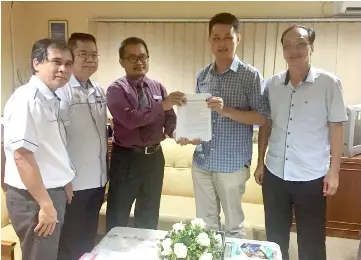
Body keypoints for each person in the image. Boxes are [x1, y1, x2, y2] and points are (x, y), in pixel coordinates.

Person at [255, 25, 347, 260]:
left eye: (300, 43)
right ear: (282, 50)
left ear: (311, 47)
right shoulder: (272, 85)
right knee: (274, 238)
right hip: (275, 173)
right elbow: (266, 124)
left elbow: (337, 127)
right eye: (287, 45)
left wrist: (334, 172)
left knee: (312, 240)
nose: (293, 50)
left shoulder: (329, 83)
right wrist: (260, 162)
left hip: (312, 176)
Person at [179, 13, 266, 239]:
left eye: (227, 37)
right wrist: (191, 134)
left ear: (238, 39)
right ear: (210, 41)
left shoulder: (250, 76)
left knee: (234, 226)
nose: (221, 43)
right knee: (205, 226)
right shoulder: (202, 75)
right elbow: (200, 115)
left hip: (232, 163)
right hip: (202, 160)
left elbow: (262, 118)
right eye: (216, 38)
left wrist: (225, 110)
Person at [3, 38, 75, 260]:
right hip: (34, 198)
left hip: (50, 191)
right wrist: (46, 205)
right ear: (36, 63)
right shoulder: (29, 100)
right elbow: (22, 156)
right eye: (56, 62)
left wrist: (65, 181)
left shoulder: (49, 97)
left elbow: (50, 148)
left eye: (68, 63)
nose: (63, 69)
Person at [106, 37, 186, 231]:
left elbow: (169, 119)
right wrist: (163, 105)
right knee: (118, 216)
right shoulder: (116, 89)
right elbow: (131, 120)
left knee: (149, 216)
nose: (139, 61)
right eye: (132, 57)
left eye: (143, 56)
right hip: (126, 160)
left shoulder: (158, 87)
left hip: (154, 159)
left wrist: (179, 133)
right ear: (122, 62)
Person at [56, 33, 108, 260]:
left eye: (94, 54)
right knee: (70, 242)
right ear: (70, 56)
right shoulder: (62, 91)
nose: (90, 59)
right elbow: (56, 139)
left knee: (89, 239)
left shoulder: (98, 89)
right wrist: (64, 178)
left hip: (97, 180)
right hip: (73, 184)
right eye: (83, 54)